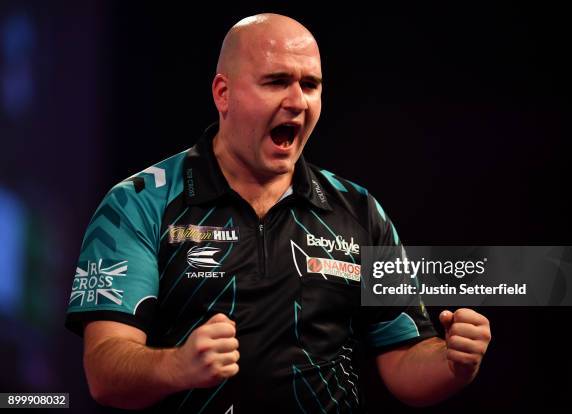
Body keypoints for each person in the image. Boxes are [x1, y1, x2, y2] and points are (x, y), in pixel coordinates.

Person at [65, 13, 491, 413]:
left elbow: (403, 361)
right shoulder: (139, 202)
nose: (297, 101)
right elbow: (104, 371)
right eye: (276, 82)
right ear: (223, 93)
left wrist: (453, 362)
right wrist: (179, 365)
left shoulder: (359, 211)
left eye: (310, 85)